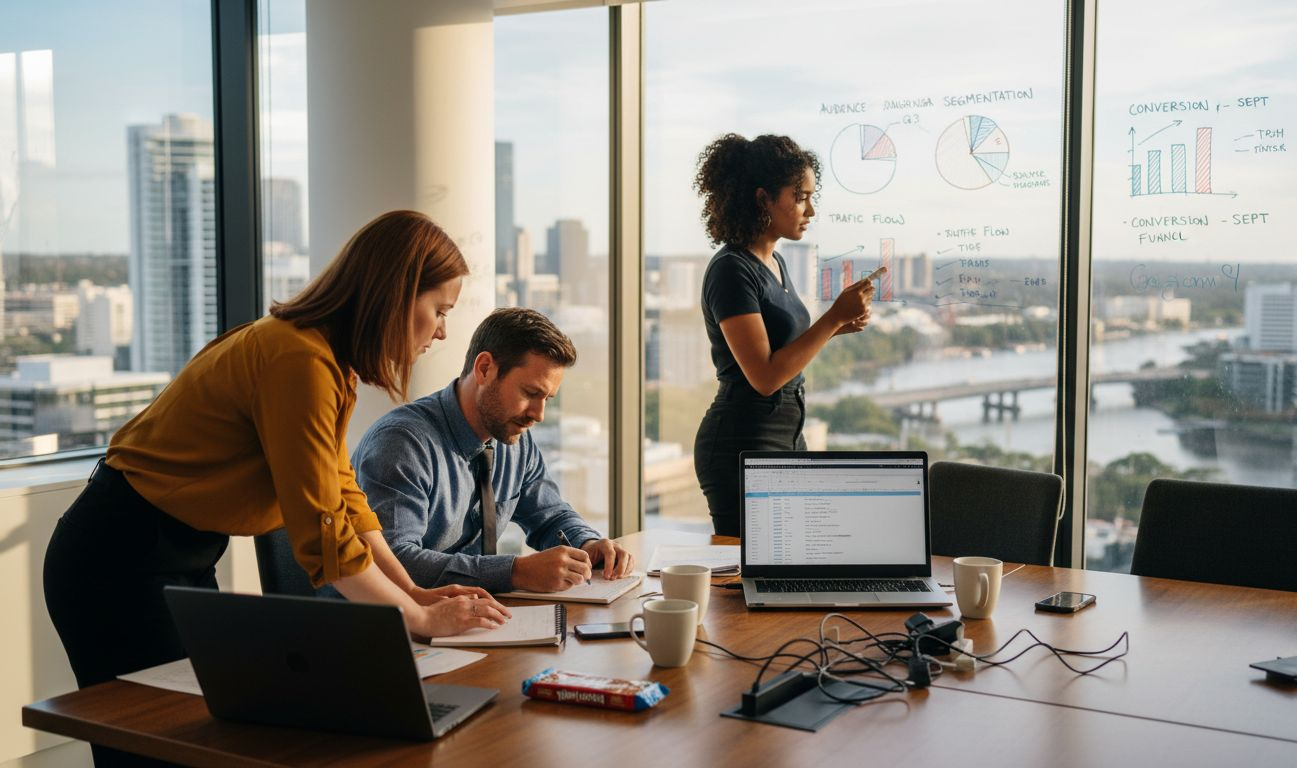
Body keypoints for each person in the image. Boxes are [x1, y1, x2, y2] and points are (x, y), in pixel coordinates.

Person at [43, 211, 513, 754]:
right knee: (158, 746)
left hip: (176, 552)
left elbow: (345, 499)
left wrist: (413, 592)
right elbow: (323, 537)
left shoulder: (326, 360)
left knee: (201, 737)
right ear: (396, 294)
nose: (442, 331)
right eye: (440, 310)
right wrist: (417, 616)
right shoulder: (299, 360)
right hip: (117, 556)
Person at [351, 307, 634, 593]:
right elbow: (395, 562)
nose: (538, 415)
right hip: (381, 618)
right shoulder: (402, 444)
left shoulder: (515, 439)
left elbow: (551, 516)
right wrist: (516, 572)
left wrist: (587, 543)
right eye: (531, 393)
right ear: (485, 368)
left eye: (547, 398)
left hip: (469, 613)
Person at [692, 133, 875, 536]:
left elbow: (779, 349)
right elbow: (764, 376)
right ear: (763, 199)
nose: (811, 210)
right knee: (747, 568)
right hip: (742, 444)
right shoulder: (731, 270)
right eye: (800, 197)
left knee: (794, 557)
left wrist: (838, 327)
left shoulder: (774, 262)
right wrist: (831, 319)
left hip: (786, 437)